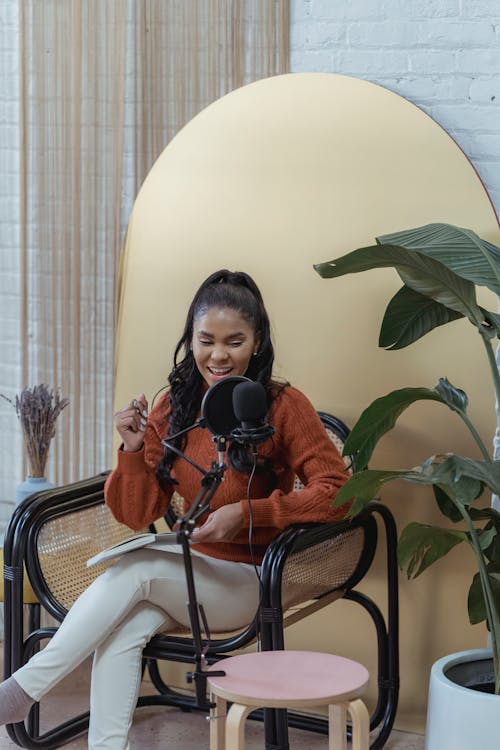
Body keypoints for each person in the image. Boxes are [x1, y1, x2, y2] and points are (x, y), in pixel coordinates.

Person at [0, 269, 350, 749]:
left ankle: (20, 691)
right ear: (191, 340)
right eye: (205, 341)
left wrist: (251, 514)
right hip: (187, 574)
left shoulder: (283, 405)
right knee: (124, 627)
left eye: (234, 341)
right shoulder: (176, 406)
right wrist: (131, 450)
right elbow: (136, 511)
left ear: (258, 340)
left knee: (136, 567)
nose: (218, 355)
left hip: (255, 579)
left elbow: (340, 492)